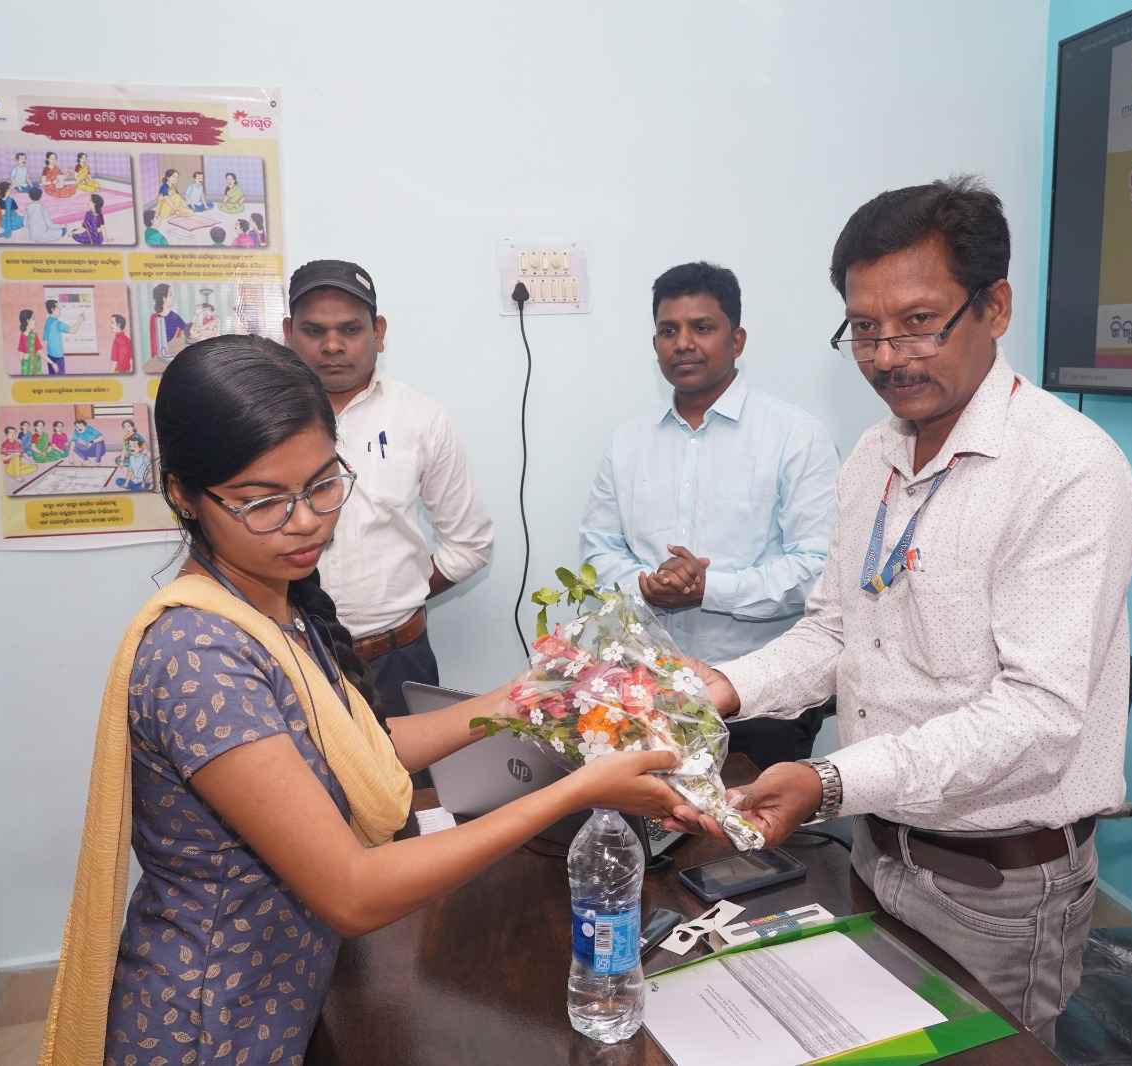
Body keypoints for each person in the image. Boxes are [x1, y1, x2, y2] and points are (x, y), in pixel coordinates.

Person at [37, 336, 678, 1066]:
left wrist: (524, 697)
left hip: (279, 991)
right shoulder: (200, 656)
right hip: (210, 1022)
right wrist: (577, 791)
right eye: (261, 501)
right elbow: (352, 891)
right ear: (183, 494)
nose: (306, 520)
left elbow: (356, 747)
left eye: (321, 485)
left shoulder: (270, 606)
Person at [670, 178, 1132, 1045]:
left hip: (996, 888)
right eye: (864, 328)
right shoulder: (874, 455)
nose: (888, 356)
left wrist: (830, 782)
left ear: (994, 306)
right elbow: (835, 630)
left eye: (919, 322)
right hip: (878, 848)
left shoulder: (1068, 470)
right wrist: (717, 690)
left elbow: (1037, 716)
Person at [580, 262, 838, 768]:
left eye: (701, 327)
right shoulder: (628, 443)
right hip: (648, 690)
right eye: (668, 330)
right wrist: (646, 586)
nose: (683, 344)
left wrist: (709, 589)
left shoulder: (795, 436)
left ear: (737, 340)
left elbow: (818, 569)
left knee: (752, 818)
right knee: (648, 817)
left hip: (761, 695)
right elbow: (598, 552)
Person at [282, 260, 494, 727]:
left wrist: (403, 593)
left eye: (350, 329)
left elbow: (470, 544)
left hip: (396, 662)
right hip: (288, 658)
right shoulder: (260, 418)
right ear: (288, 333)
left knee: (407, 776)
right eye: (314, 330)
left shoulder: (419, 418)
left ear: (378, 332)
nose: (332, 346)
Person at [147, 282, 188, 368]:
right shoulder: (154, 318)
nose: (173, 298)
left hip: (175, 357)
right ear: (164, 298)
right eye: (170, 295)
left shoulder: (175, 317)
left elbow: (187, 333)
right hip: (160, 359)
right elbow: (153, 342)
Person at [42, 299, 74, 374]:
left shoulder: (47, 322)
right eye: (58, 307)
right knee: (60, 379)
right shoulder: (57, 323)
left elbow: (45, 340)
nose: (60, 309)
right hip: (58, 358)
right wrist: (80, 320)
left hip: (50, 357)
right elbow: (73, 330)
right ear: (52, 309)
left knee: (52, 378)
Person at [16, 308, 43, 376]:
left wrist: (51, 363)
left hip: (36, 367)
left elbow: (40, 352)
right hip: (27, 368)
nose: (35, 321)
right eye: (33, 319)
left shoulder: (34, 335)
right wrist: (24, 357)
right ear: (28, 321)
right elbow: (20, 356)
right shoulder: (23, 336)